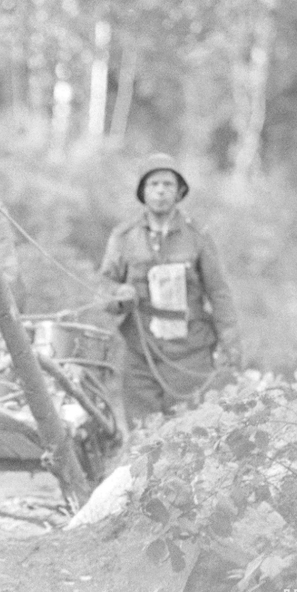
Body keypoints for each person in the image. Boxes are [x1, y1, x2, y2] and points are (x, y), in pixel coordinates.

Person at [98, 153, 242, 428]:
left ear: (179, 192)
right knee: (143, 435)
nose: (161, 191)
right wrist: (120, 295)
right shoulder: (124, 237)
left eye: (168, 184)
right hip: (140, 356)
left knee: (190, 433)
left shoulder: (198, 235)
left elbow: (219, 292)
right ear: (143, 191)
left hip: (190, 355)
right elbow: (103, 288)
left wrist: (230, 343)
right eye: (153, 184)